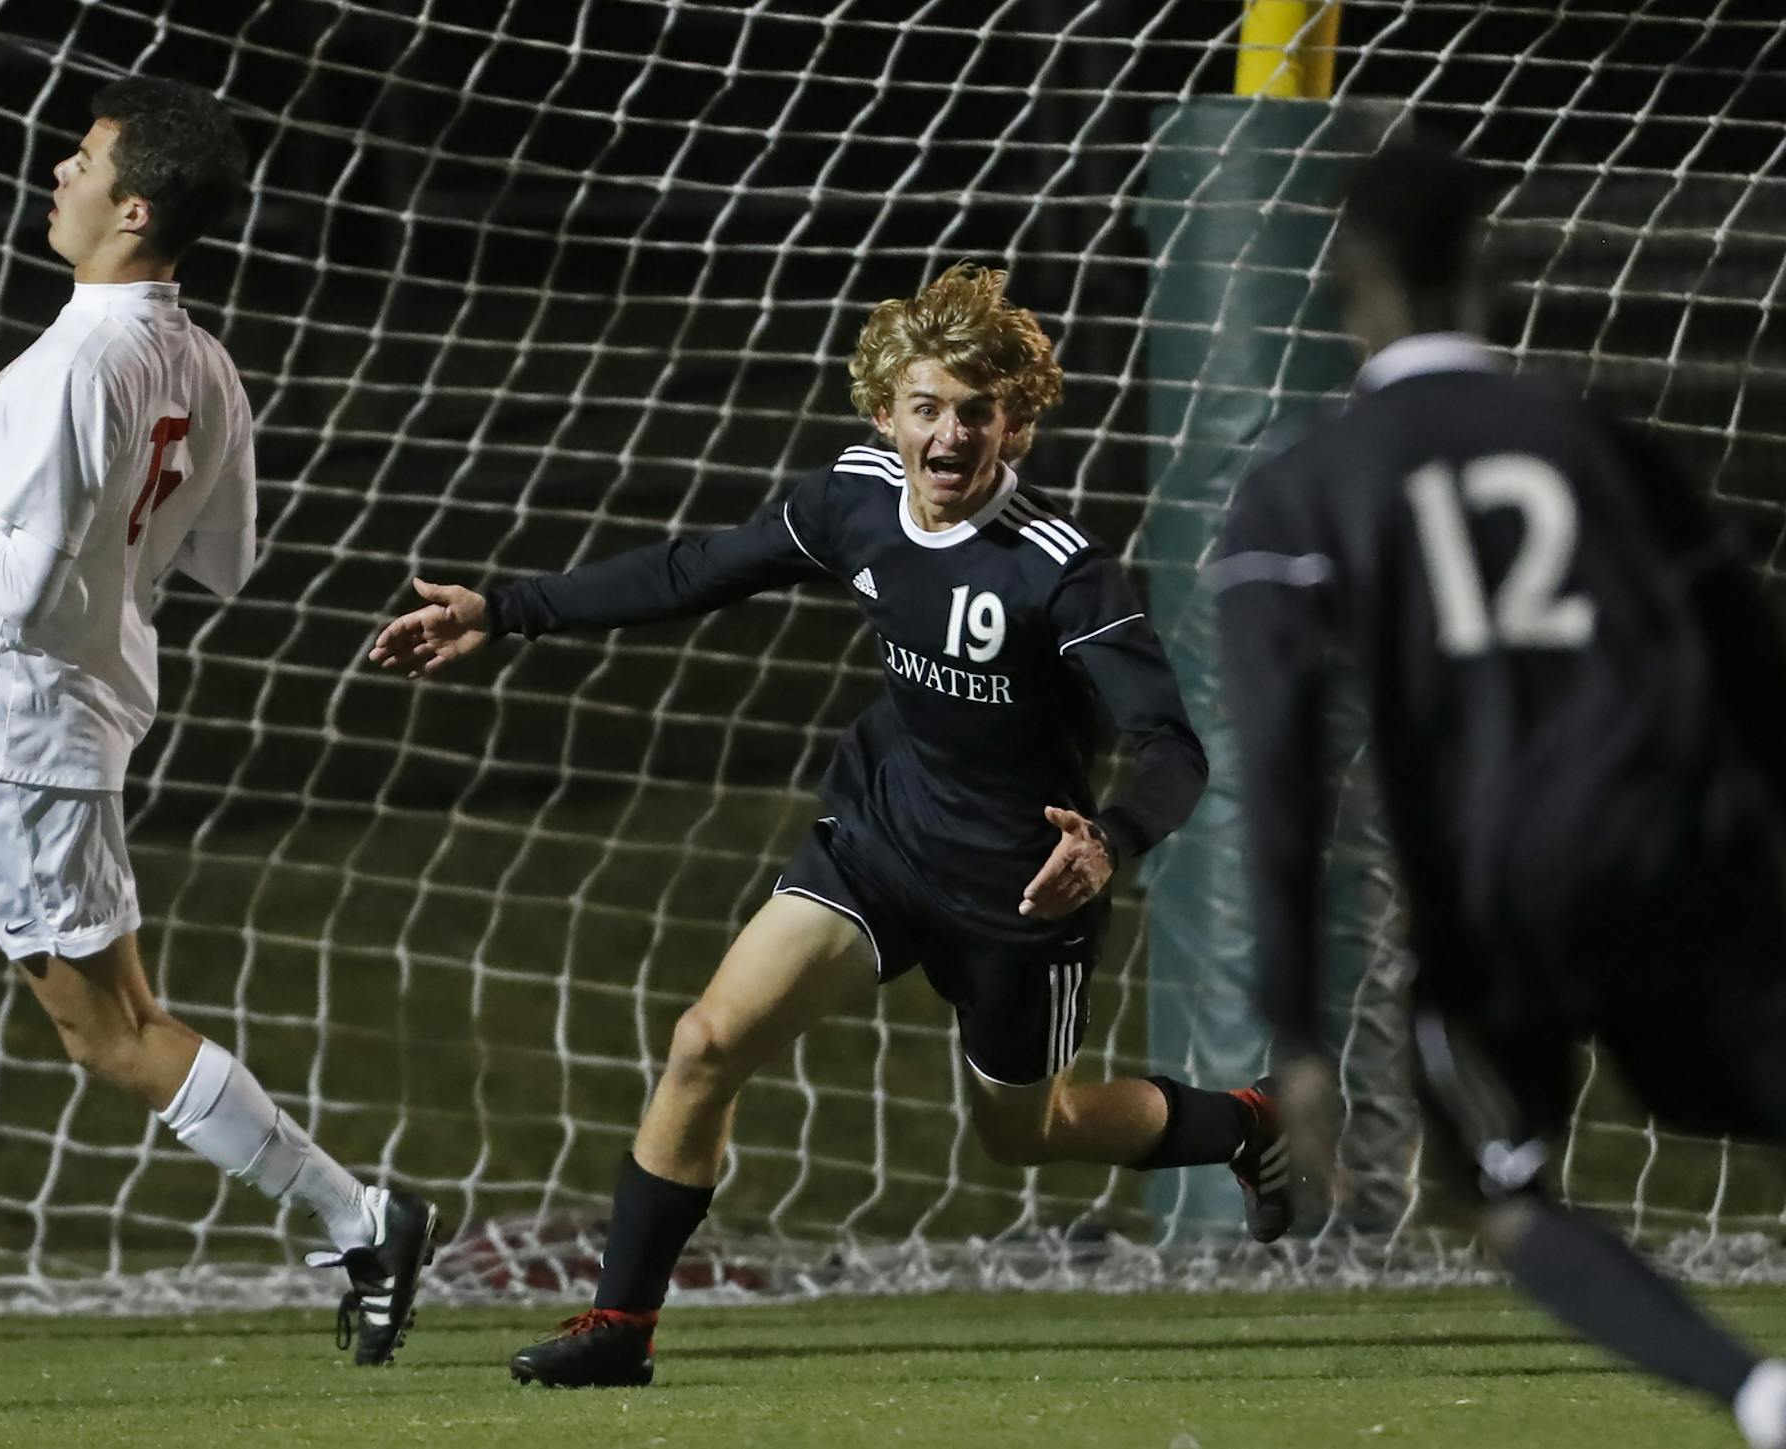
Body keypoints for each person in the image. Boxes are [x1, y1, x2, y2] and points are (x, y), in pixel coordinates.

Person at [372, 263, 1293, 1389]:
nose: (949, 434)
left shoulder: (1064, 577)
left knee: (1024, 1133)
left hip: (1019, 894)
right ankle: (619, 1328)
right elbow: (696, 569)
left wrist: (1108, 840)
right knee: (706, 1043)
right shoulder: (852, 499)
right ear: (884, 415)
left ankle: (1247, 1121)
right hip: (881, 842)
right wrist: (505, 609)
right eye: (926, 407)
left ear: (1017, 422)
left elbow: (1173, 747)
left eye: (975, 411)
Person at [0, 77, 436, 1365]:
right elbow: (225, 559)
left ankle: (358, 1216)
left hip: (28, 736)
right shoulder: (200, 359)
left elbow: (19, 588)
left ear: (131, 209)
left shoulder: (74, 364)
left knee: (113, 1034)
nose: (56, 177)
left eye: (81, 162)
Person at [1212, 135, 1786, 1449]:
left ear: (1344, 281)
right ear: (1487, 271)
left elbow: (1282, 766)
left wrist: (1293, 1022)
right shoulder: (1601, 442)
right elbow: (1757, 676)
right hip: (1684, 852)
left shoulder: (1299, 485)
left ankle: (1761, 1396)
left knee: (1492, 1185)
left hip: (1496, 896)